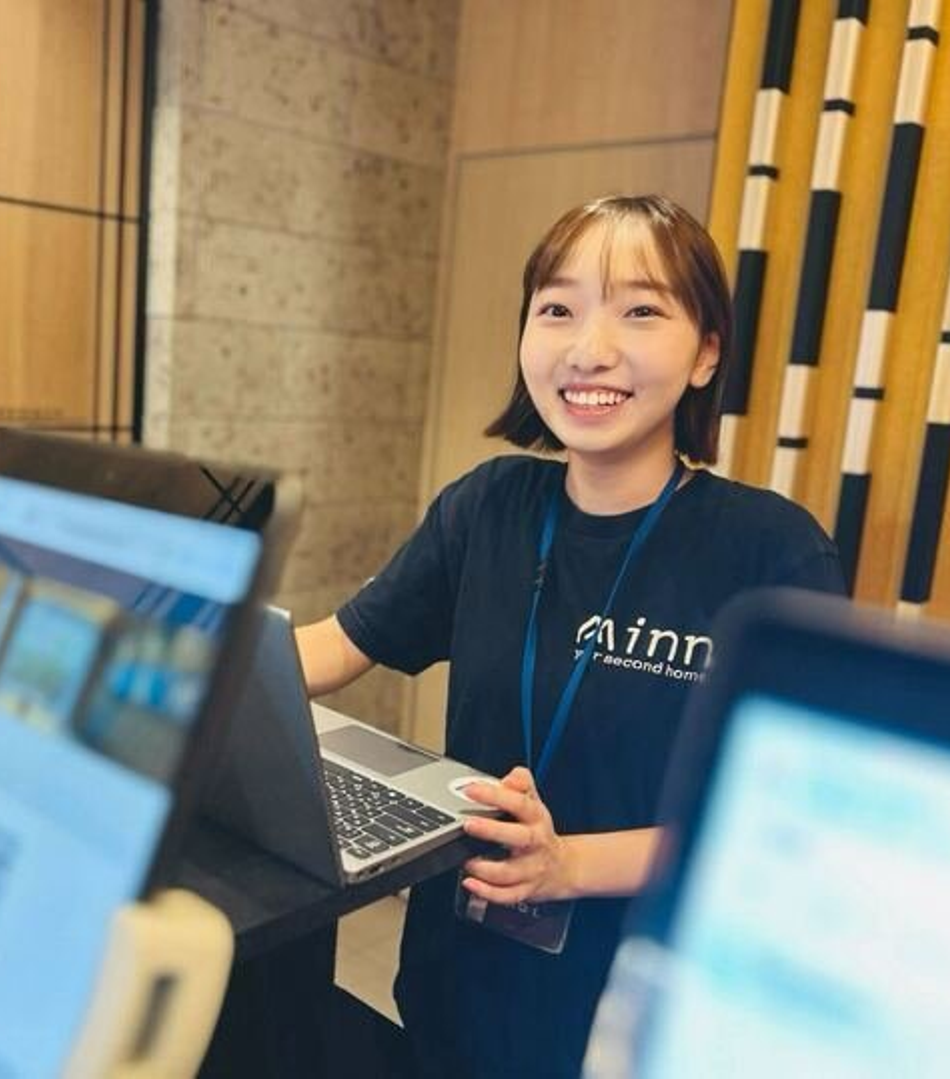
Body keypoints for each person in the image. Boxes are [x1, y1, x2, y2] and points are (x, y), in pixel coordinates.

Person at [296, 194, 845, 1077]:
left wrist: (570, 865)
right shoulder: (487, 506)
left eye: (640, 311)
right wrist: (178, 661)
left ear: (707, 352)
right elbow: (337, 644)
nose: (590, 349)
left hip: (631, 1011)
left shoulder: (771, 551)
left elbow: (792, 824)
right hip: (455, 979)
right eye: (557, 308)